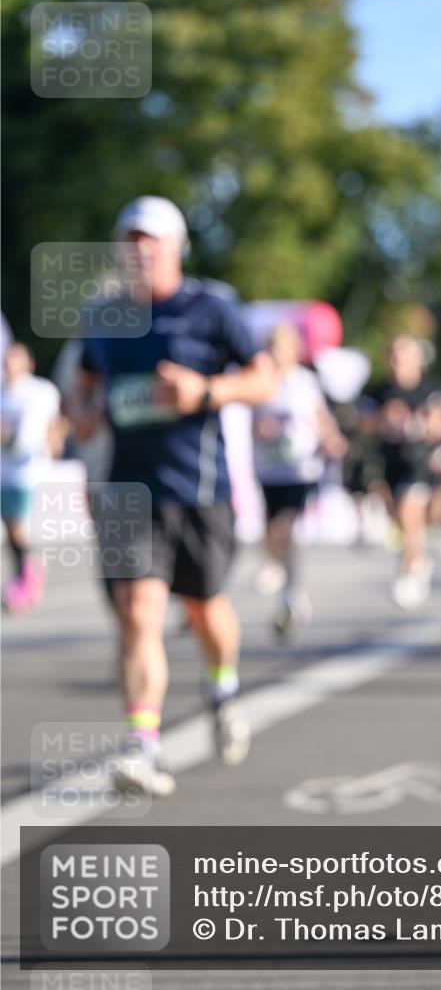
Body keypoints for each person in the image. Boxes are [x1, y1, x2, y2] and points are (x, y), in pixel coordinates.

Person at [70, 196, 276, 795]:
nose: (138, 252)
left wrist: (205, 391)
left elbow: (266, 378)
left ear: (176, 247)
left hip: (200, 492)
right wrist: (84, 411)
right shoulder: (103, 316)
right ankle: (142, 746)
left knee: (205, 608)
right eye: (129, 241)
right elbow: (84, 383)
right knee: (139, 610)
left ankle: (223, 686)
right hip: (128, 493)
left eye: (150, 241)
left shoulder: (212, 307)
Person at [252, 324, 347, 636]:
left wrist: (331, 437)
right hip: (269, 467)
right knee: (271, 531)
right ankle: (290, 588)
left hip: (301, 467)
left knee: (286, 527)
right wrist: (261, 428)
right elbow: (249, 421)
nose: (277, 354)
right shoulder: (262, 381)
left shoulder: (305, 381)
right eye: (272, 347)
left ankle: (290, 590)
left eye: (282, 347)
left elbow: (320, 416)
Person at [370, 335, 440, 609]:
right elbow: (362, 422)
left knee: (410, 513)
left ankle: (409, 571)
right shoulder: (379, 391)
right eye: (395, 358)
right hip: (388, 464)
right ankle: (419, 558)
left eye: (406, 358)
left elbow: (438, 425)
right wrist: (383, 418)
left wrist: (419, 423)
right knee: (398, 517)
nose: (400, 364)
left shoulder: (429, 390)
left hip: (419, 463)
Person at [1, 343, 62, 612]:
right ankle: (25, 575)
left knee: (17, 527)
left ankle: (29, 576)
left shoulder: (40, 391)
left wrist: (54, 448)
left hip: (28, 471)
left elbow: (53, 425)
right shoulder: (3, 392)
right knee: (12, 529)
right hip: (4, 470)